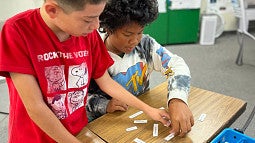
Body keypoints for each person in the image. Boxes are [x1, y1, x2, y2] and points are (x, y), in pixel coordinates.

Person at [0, 0, 171, 143]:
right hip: (35, 137)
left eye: (98, 16)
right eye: (89, 19)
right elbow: (35, 106)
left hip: (78, 130)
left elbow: (106, 82)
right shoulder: (17, 30)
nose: (96, 25)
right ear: (53, 10)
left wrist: (148, 109)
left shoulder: (87, 33)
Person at [86, 0, 194, 137]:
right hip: (105, 124)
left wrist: (177, 99)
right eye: (127, 34)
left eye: (140, 32)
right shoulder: (93, 51)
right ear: (108, 28)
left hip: (142, 116)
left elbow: (176, 65)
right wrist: (104, 104)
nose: (135, 40)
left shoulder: (145, 45)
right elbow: (77, 98)